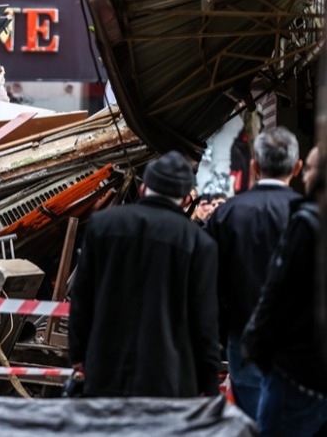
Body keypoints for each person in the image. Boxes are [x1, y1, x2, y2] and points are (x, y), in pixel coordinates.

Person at [68, 150, 219, 397]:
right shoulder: (199, 244)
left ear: (143, 188)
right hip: (169, 380)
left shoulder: (103, 225)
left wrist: (78, 355)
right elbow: (204, 322)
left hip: (106, 370)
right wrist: (208, 383)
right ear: (184, 200)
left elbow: (82, 298)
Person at [205, 126, 303, 419]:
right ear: (297, 168)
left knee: (251, 418)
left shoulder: (226, 215)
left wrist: (222, 332)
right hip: (300, 345)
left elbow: (208, 283)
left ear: (255, 166)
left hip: (243, 339)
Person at [242, 146, 327, 435]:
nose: (306, 175)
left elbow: (277, 295)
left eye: (313, 169)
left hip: (297, 373)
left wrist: (256, 347)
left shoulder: (307, 223)